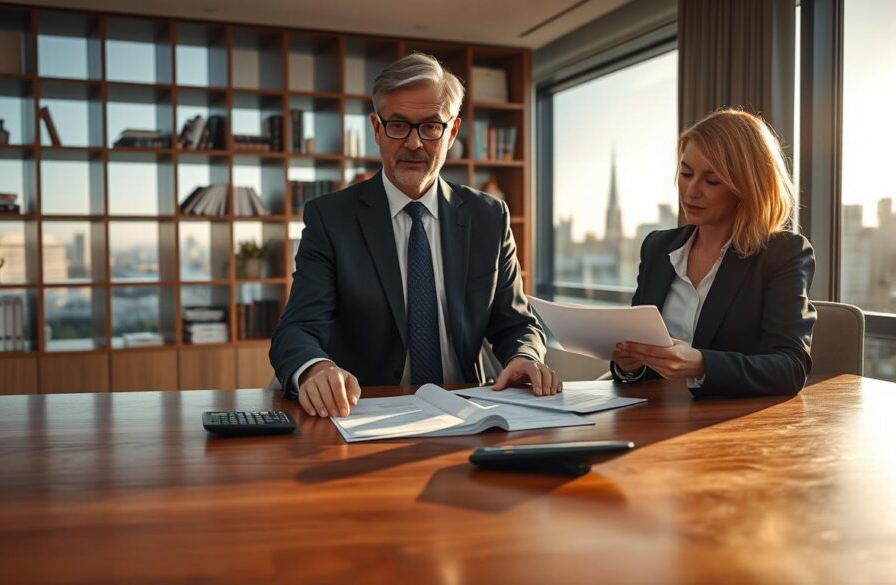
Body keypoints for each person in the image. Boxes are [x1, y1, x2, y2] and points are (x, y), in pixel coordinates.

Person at [270, 53, 559, 418]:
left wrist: (524, 356)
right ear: (377, 129)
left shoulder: (488, 216)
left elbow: (516, 322)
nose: (413, 143)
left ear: (451, 132)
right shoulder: (331, 218)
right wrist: (316, 368)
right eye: (398, 125)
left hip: (467, 412)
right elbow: (296, 329)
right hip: (364, 413)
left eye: (430, 127)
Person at [611, 108, 816, 396]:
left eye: (712, 180)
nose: (691, 191)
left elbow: (790, 368)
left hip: (730, 427)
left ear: (746, 187)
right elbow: (640, 361)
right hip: (654, 417)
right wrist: (628, 365)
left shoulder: (783, 254)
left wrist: (703, 364)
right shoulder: (658, 248)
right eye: (686, 173)